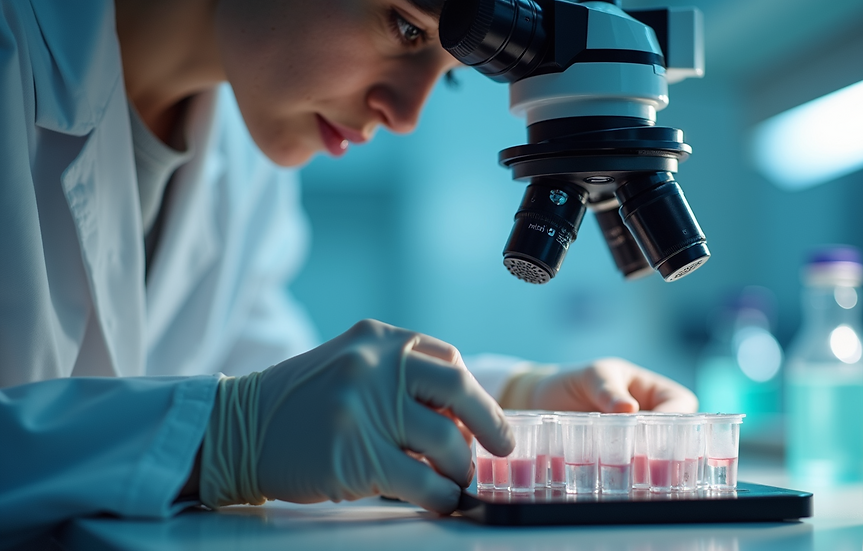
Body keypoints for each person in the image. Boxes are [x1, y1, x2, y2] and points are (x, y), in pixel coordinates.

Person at [0, 0, 698, 544]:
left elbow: (281, 396)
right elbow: (231, 419)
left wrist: (515, 401)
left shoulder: (247, 169)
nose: (405, 115)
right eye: (405, 27)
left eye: (449, 76)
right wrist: (219, 436)